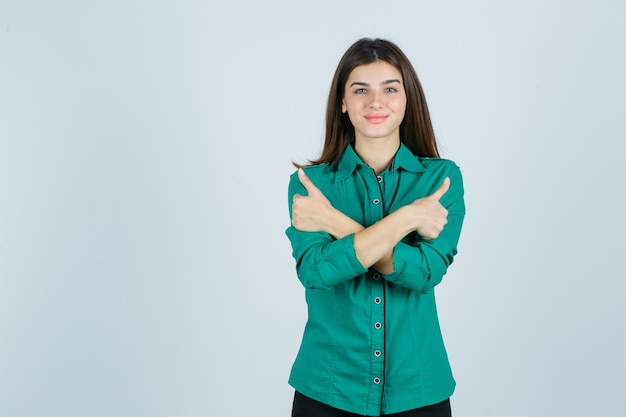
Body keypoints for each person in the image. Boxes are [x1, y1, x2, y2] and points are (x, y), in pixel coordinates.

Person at [286, 38, 466, 417]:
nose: (375, 101)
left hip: (418, 390)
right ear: (343, 102)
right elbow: (317, 271)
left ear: (407, 98)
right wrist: (409, 219)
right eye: (360, 90)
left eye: (389, 88)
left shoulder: (441, 180)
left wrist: (332, 222)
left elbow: (423, 273)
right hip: (328, 389)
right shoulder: (310, 185)